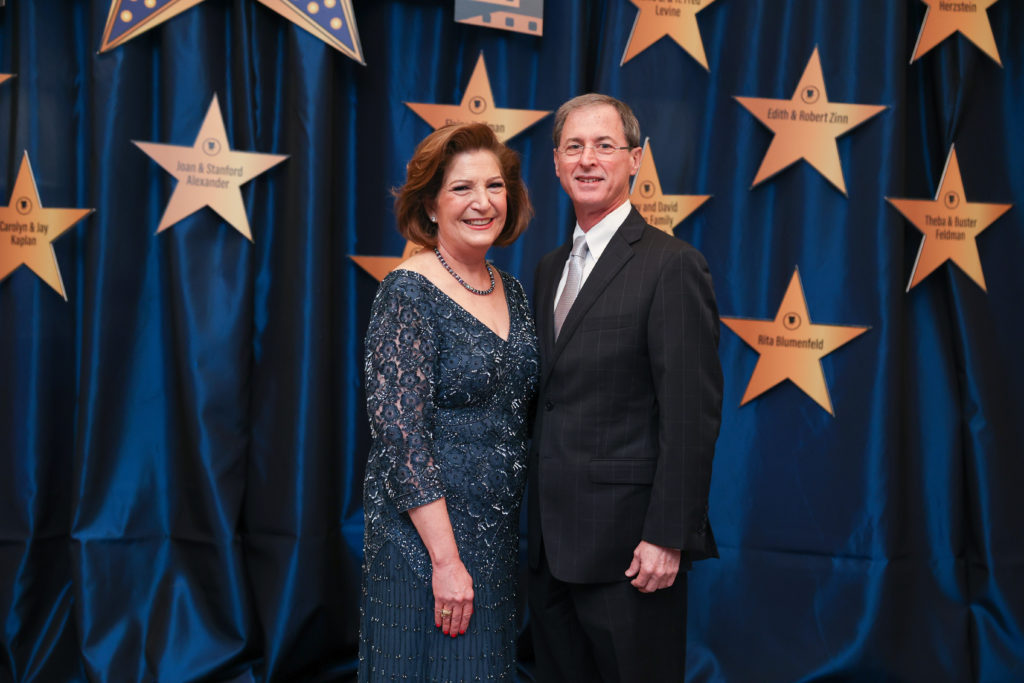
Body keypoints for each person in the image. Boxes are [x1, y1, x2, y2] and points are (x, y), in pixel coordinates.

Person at [527, 93, 723, 682]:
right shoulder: (546, 269)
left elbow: (690, 414)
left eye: (605, 146)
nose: (588, 160)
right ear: (556, 163)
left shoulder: (672, 265)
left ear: (635, 159)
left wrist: (668, 537)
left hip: (630, 554)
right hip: (547, 551)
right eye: (574, 147)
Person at [359, 122, 538, 682]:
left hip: (498, 539)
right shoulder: (406, 291)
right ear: (432, 206)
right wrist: (445, 561)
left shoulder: (515, 291)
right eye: (462, 188)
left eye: (494, 186)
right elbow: (399, 438)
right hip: (426, 547)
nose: (482, 202)